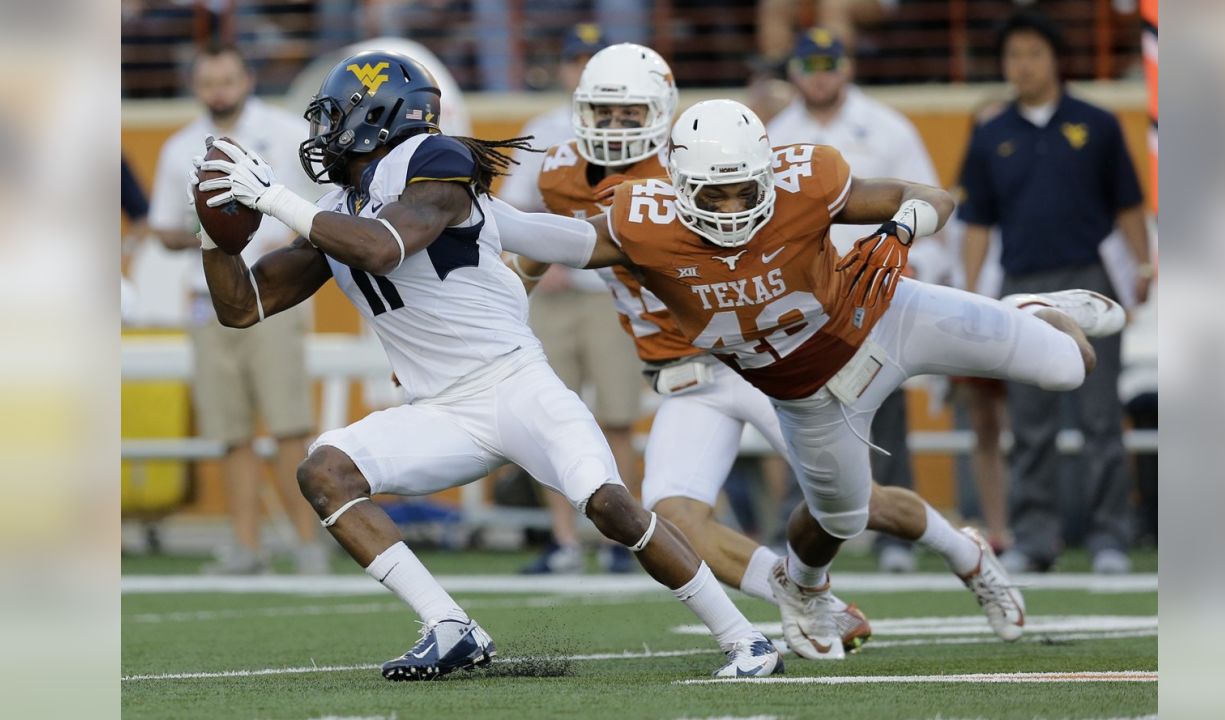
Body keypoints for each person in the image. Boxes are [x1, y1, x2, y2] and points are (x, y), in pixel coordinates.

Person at [191, 49, 781, 680]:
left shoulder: (435, 160)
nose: (323, 133)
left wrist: (275, 197)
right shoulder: (339, 204)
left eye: (335, 116)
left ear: (378, 114)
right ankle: (450, 626)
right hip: (440, 410)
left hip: (513, 383)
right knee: (327, 471)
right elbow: (243, 307)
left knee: (611, 506)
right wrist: (216, 240)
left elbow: (384, 248)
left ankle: (746, 639)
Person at [500, 98, 1127, 660]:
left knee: (1072, 367)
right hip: (804, 392)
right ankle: (811, 589)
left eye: (744, 191)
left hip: (886, 316)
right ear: (679, 184)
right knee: (840, 518)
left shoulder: (808, 181)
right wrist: (462, 203)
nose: (730, 209)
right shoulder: (643, 222)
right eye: (712, 196)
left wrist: (899, 229)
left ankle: (1026, 310)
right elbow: (545, 237)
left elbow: (934, 197)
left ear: (768, 175)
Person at [957, 10, 1151, 574]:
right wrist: (972, 292)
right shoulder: (990, 136)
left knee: (1099, 417)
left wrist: (1142, 264)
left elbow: (1129, 204)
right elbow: (976, 223)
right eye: (1012, 55)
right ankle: (1035, 538)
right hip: (1023, 288)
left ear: (1055, 59)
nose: (1022, 65)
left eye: (1033, 53)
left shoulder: (1099, 124)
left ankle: (1110, 537)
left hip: (1088, 280)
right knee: (1031, 420)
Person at [768, 27, 953, 573]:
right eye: (810, 64)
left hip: (873, 290)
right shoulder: (777, 133)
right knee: (796, 409)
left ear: (846, 67)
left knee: (886, 411)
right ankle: (803, 534)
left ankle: (897, 538)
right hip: (803, 297)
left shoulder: (889, 127)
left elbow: (931, 200)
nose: (821, 73)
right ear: (794, 72)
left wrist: (913, 263)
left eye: (830, 62)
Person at [149, 43, 325, 575]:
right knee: (231, 433)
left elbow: (325, 207)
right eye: (208, 81)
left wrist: (285, 239)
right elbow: (162, 227)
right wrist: (206, 231)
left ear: (247, 79)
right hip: (208, 299)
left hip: (272, 292)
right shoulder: (180, 147)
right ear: (196, 86)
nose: (219, 90)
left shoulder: (287, 131)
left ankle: (309, 544)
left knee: (290, 423)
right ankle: (247, 547)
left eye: (227, 79)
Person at [500, 25, 646, 575]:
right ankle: (565, 541)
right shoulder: (542, 131)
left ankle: (621, 539)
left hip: (612, 291)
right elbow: (513, 212)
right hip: (556, 294)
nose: (582, 69)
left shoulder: (640, 127)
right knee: (549, 422)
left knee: (617, 418)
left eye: (592, 59)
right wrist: (550, 257)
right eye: (575, 59)